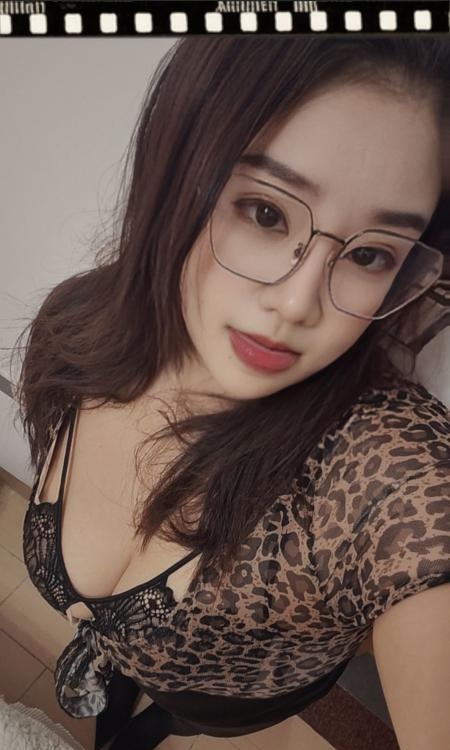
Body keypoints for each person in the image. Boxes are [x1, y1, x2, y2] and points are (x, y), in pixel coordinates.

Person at [12, 37, 450, 750]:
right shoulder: (75, 326)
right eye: (266, 213)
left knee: (178, 719)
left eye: (370, 254)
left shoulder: (385, 470)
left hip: (226, 707)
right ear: (177, 169)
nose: (298, 303)